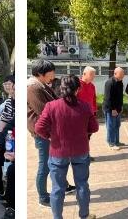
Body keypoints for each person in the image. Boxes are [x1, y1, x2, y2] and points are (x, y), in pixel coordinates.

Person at [35, 75, 99, 219]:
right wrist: (83, 131)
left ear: (61, 89)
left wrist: (50, 136)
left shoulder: (51, 106)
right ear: (78, 89)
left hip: (58, 151)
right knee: (82, 184)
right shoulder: (85, 106)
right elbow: (94, 127)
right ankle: (84, 215)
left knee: (57, 188)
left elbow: (39, 128)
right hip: (80, 150)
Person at [28, 58, 58, 207]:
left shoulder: (42, 84)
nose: (52, 76)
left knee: (54, 162)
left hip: (49, 131)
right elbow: (44, 111)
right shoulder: (33, 87)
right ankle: (43, 196)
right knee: (44, 165)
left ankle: (62, 186)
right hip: (42, 132)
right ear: (40, 73)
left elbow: (55, 101)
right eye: (50, 73)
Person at [103, 67, 125, 150]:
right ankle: (111, 143)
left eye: (123, 73)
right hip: (110, 109)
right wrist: (113, 109)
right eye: (122, 73)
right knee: (111, 125)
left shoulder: (120, 82)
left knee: (117, 125)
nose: (123, 75)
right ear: (115, 73)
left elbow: (120, 97)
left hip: (118, 108)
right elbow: (108, 98)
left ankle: (116, 141)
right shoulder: (110, 83)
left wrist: (120, 106)